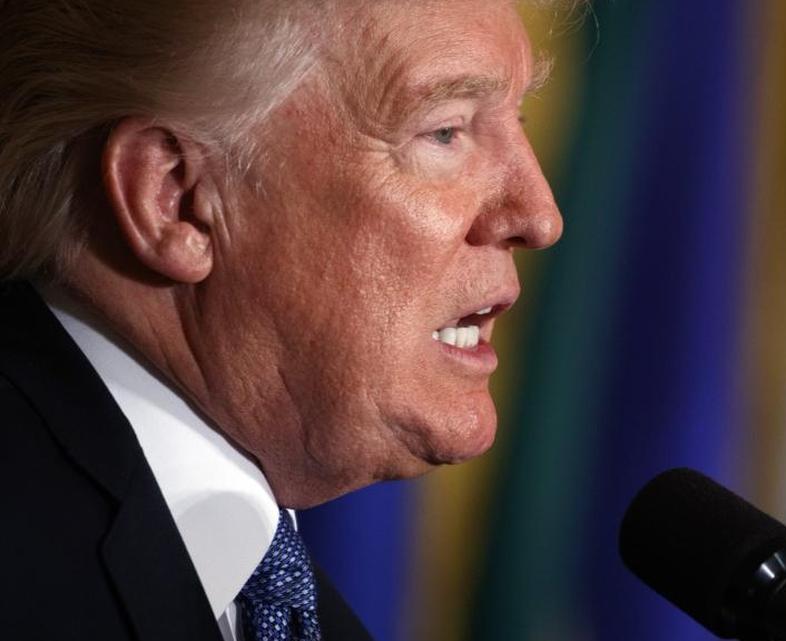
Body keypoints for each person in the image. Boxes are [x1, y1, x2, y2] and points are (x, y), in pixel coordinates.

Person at [0, 1, 564, 639]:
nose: (539, 216)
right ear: (177, 197)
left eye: (517, 119)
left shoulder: (279, 599)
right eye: (445, 132)